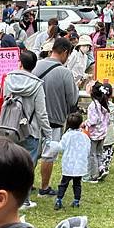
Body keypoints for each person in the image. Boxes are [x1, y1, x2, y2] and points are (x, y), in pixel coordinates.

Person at [3, 50, 52, 209]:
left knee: (12, 164)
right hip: (30, 129)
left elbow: (5, 102)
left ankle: (10, 197)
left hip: (10, 127)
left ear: (20, 63)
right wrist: (48, 133)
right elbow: (41, 112)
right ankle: (23, 200)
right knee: (28, 165)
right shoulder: (37, 85)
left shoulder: (9, 79)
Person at [32, 37, 79, 196]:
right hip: (54, 119)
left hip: (32, 118)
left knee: (31, 153)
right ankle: (44, 188)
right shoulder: (65, 72)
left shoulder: (35, 65)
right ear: (65, 52)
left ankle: (27, 184)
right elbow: (72, 99)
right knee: (48, 155)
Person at [54, 112, 90, 209]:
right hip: (79, 165)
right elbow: (88, 149)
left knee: (63, 183)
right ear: (80, 123)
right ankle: (76, 201)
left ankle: (59, 200)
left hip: (68, 164)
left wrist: (52, 144)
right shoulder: (84, 136)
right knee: (77, 184)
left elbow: (61, 147)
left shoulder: (67, 136)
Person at [84, 81, 110, 183]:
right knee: (99, 153)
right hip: (102, 133)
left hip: (94, 134)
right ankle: (101, 169)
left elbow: (93, 120)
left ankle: (93, 175)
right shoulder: (104, 103)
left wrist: (85, 123)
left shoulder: (93, 105)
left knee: (92, 154)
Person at [101, 83, 114, 176]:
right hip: (109, 135)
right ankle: (105, 166)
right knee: (108, 151)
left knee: (98, 152)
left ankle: (99, 166)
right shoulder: (113, 108)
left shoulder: (95, 106)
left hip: (98, 135)